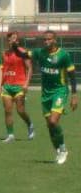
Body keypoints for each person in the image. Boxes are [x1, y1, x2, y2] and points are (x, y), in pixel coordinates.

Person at [29, 30, 77, 164]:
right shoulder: (40, 52)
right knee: (49, 125)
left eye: (49, 39)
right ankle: (58, 150)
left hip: (60, 91)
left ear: (55, 40)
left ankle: (63, 149)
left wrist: (74, 95)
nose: (46, 42)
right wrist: (14, 45)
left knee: (53, 121)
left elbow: (72, 75)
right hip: (45, 94)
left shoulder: (63, 55)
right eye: (44, 39)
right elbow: (24, 54)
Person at [1, 32, 34, 143]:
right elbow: (2, 70)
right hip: (7, 86)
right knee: (8, 111)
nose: (13, 40)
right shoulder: (4, 54)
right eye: (11, 39)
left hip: (19, 85)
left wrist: (26, 83)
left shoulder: (23, 52)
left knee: (20, 110)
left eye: (15, 39)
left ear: (18, 41)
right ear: (8, 41)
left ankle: (30, 125)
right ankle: (10, 135)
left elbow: (29, 68)